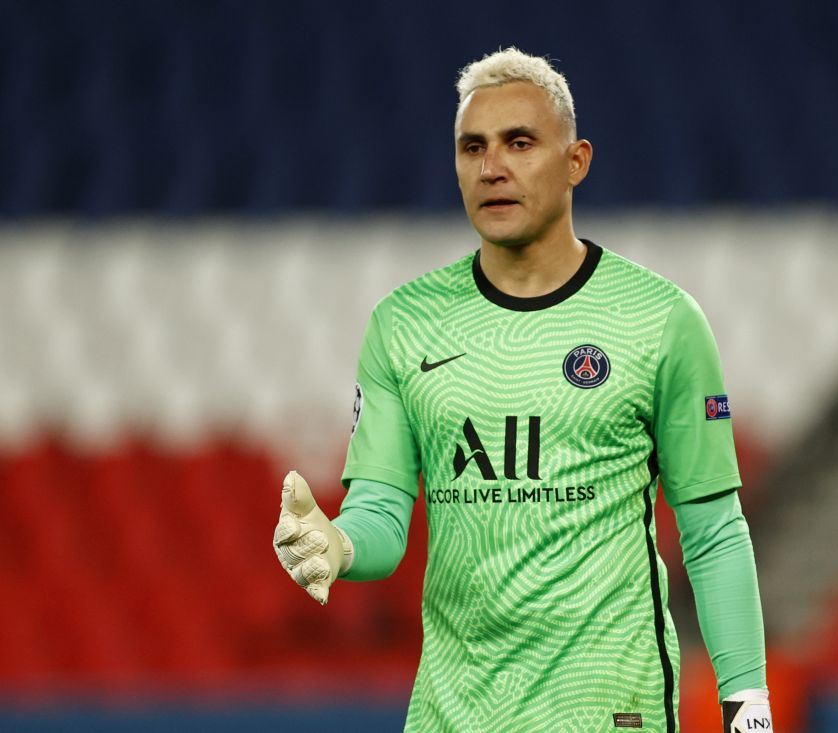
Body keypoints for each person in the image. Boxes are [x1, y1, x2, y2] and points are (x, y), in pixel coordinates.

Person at [273, 47, 772, 733]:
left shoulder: (660, 320)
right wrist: (337, 544)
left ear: (576, 161)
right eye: (472, 147)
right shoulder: (404, 324)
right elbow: (382, 516)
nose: (492, 167)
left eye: (520, 142)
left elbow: (713, 532)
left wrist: (748, 710)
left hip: (608, 713)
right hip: (452, 716)